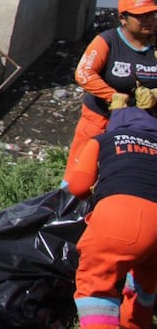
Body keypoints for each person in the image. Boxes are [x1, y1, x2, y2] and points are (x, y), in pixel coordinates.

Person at [66, 99, 157, 329]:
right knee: (145, 284)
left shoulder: (104, 140)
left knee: (95, 285)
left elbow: (78, 186)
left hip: (121, 217)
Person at [65, 0, 157, 180]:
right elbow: (84, 73)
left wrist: (155, 94)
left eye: (151, 14)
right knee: (80, 176)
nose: (148, 20)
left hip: (145, 124)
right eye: (141, 16)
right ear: (123, 19)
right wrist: (112, 96)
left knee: (135, 175)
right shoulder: (107, 41)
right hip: (100, 118)